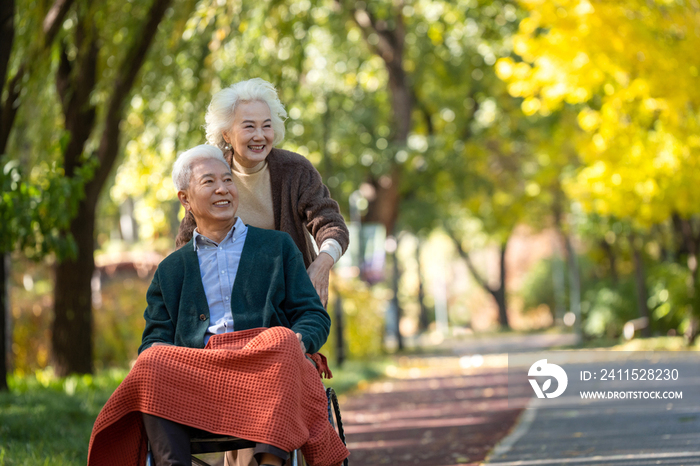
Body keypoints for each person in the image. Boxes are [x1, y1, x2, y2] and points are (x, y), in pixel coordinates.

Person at [87, 145, 349, 466]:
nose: (223, 188)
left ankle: (268, 463)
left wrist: (299, 340)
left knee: (282, 340)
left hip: (262, 368)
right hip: (198, 377)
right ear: (185, 198)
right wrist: (158, 359)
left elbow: (312, 315)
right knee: (151, 361)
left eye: (228, 180)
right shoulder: (171, 270)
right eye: (209, 182)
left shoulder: (277, 247)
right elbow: (154, 340)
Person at [176, 78, 349, 308]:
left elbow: (331, 223)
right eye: (249, 126)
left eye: (266, 126)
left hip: (288, 304)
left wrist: (322, 262)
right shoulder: (212, 173)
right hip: (229, 306)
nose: (260, 135)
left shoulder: (295, 170)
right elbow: (187, 243)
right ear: (226, 134)